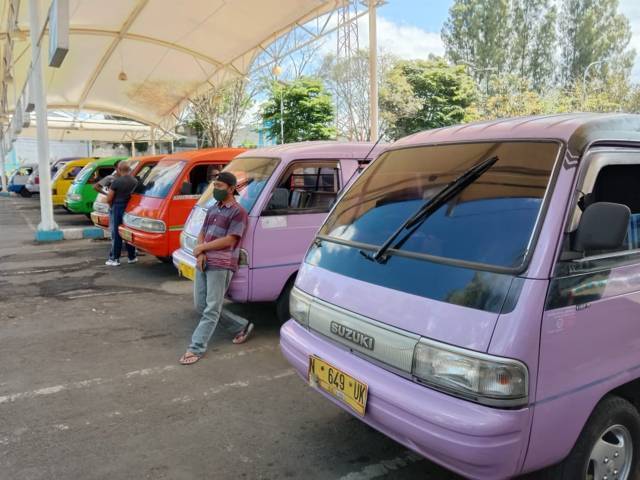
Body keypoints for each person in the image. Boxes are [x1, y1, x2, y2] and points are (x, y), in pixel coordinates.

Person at [179, 171, 253, 365]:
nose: (216, 190)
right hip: (204, 260)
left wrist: (202, 248)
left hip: (222, 263)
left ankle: (196, 347)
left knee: (211, 308)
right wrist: (201, 253)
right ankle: (240, 326)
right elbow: (203, 231)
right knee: (201, 306)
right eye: (214, 186)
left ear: (231, 188)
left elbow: (230, 240)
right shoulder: (213, 208)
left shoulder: (238, 212)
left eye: (219, 187)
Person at [105, 161, 138, 266]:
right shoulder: (135, 181)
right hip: (129, 208)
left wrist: (111, 206)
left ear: (119, 170)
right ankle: (132, 257)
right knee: (128, 232)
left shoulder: (116, 182)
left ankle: (115, 259)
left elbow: (109, 198)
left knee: (116, 233)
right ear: (129, 170)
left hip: (117, 207)